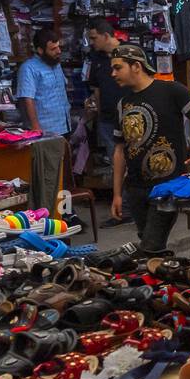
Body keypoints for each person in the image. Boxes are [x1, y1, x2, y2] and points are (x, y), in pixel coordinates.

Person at [109, 44, 190, 253]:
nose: (113, 74)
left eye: (118, 67)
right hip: (135, 189)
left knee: (150, 245)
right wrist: (117, 194)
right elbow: (119, 150)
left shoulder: (171, 90)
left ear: (136, 66)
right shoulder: (123, 104)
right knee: (149, 244)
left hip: (167, 188)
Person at [85, 19, 128, 226]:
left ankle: (131, 207)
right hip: (109, 119)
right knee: (116, 164)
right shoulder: (97, 60)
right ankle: (122, 209)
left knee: (133, 163)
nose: (91, 42)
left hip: (131, 118)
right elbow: (96, 90)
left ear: (106, 35)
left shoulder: (129, 53)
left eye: (94, 38)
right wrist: (96, 111)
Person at [16, 28, 71, 136]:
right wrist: (36, 128)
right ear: (40, 50)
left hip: (64, 126)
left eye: (58, 47)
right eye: (53, 49)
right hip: (45, 130)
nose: (58, 51)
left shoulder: (56, 64)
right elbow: (27, 99)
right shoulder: (29, 68)